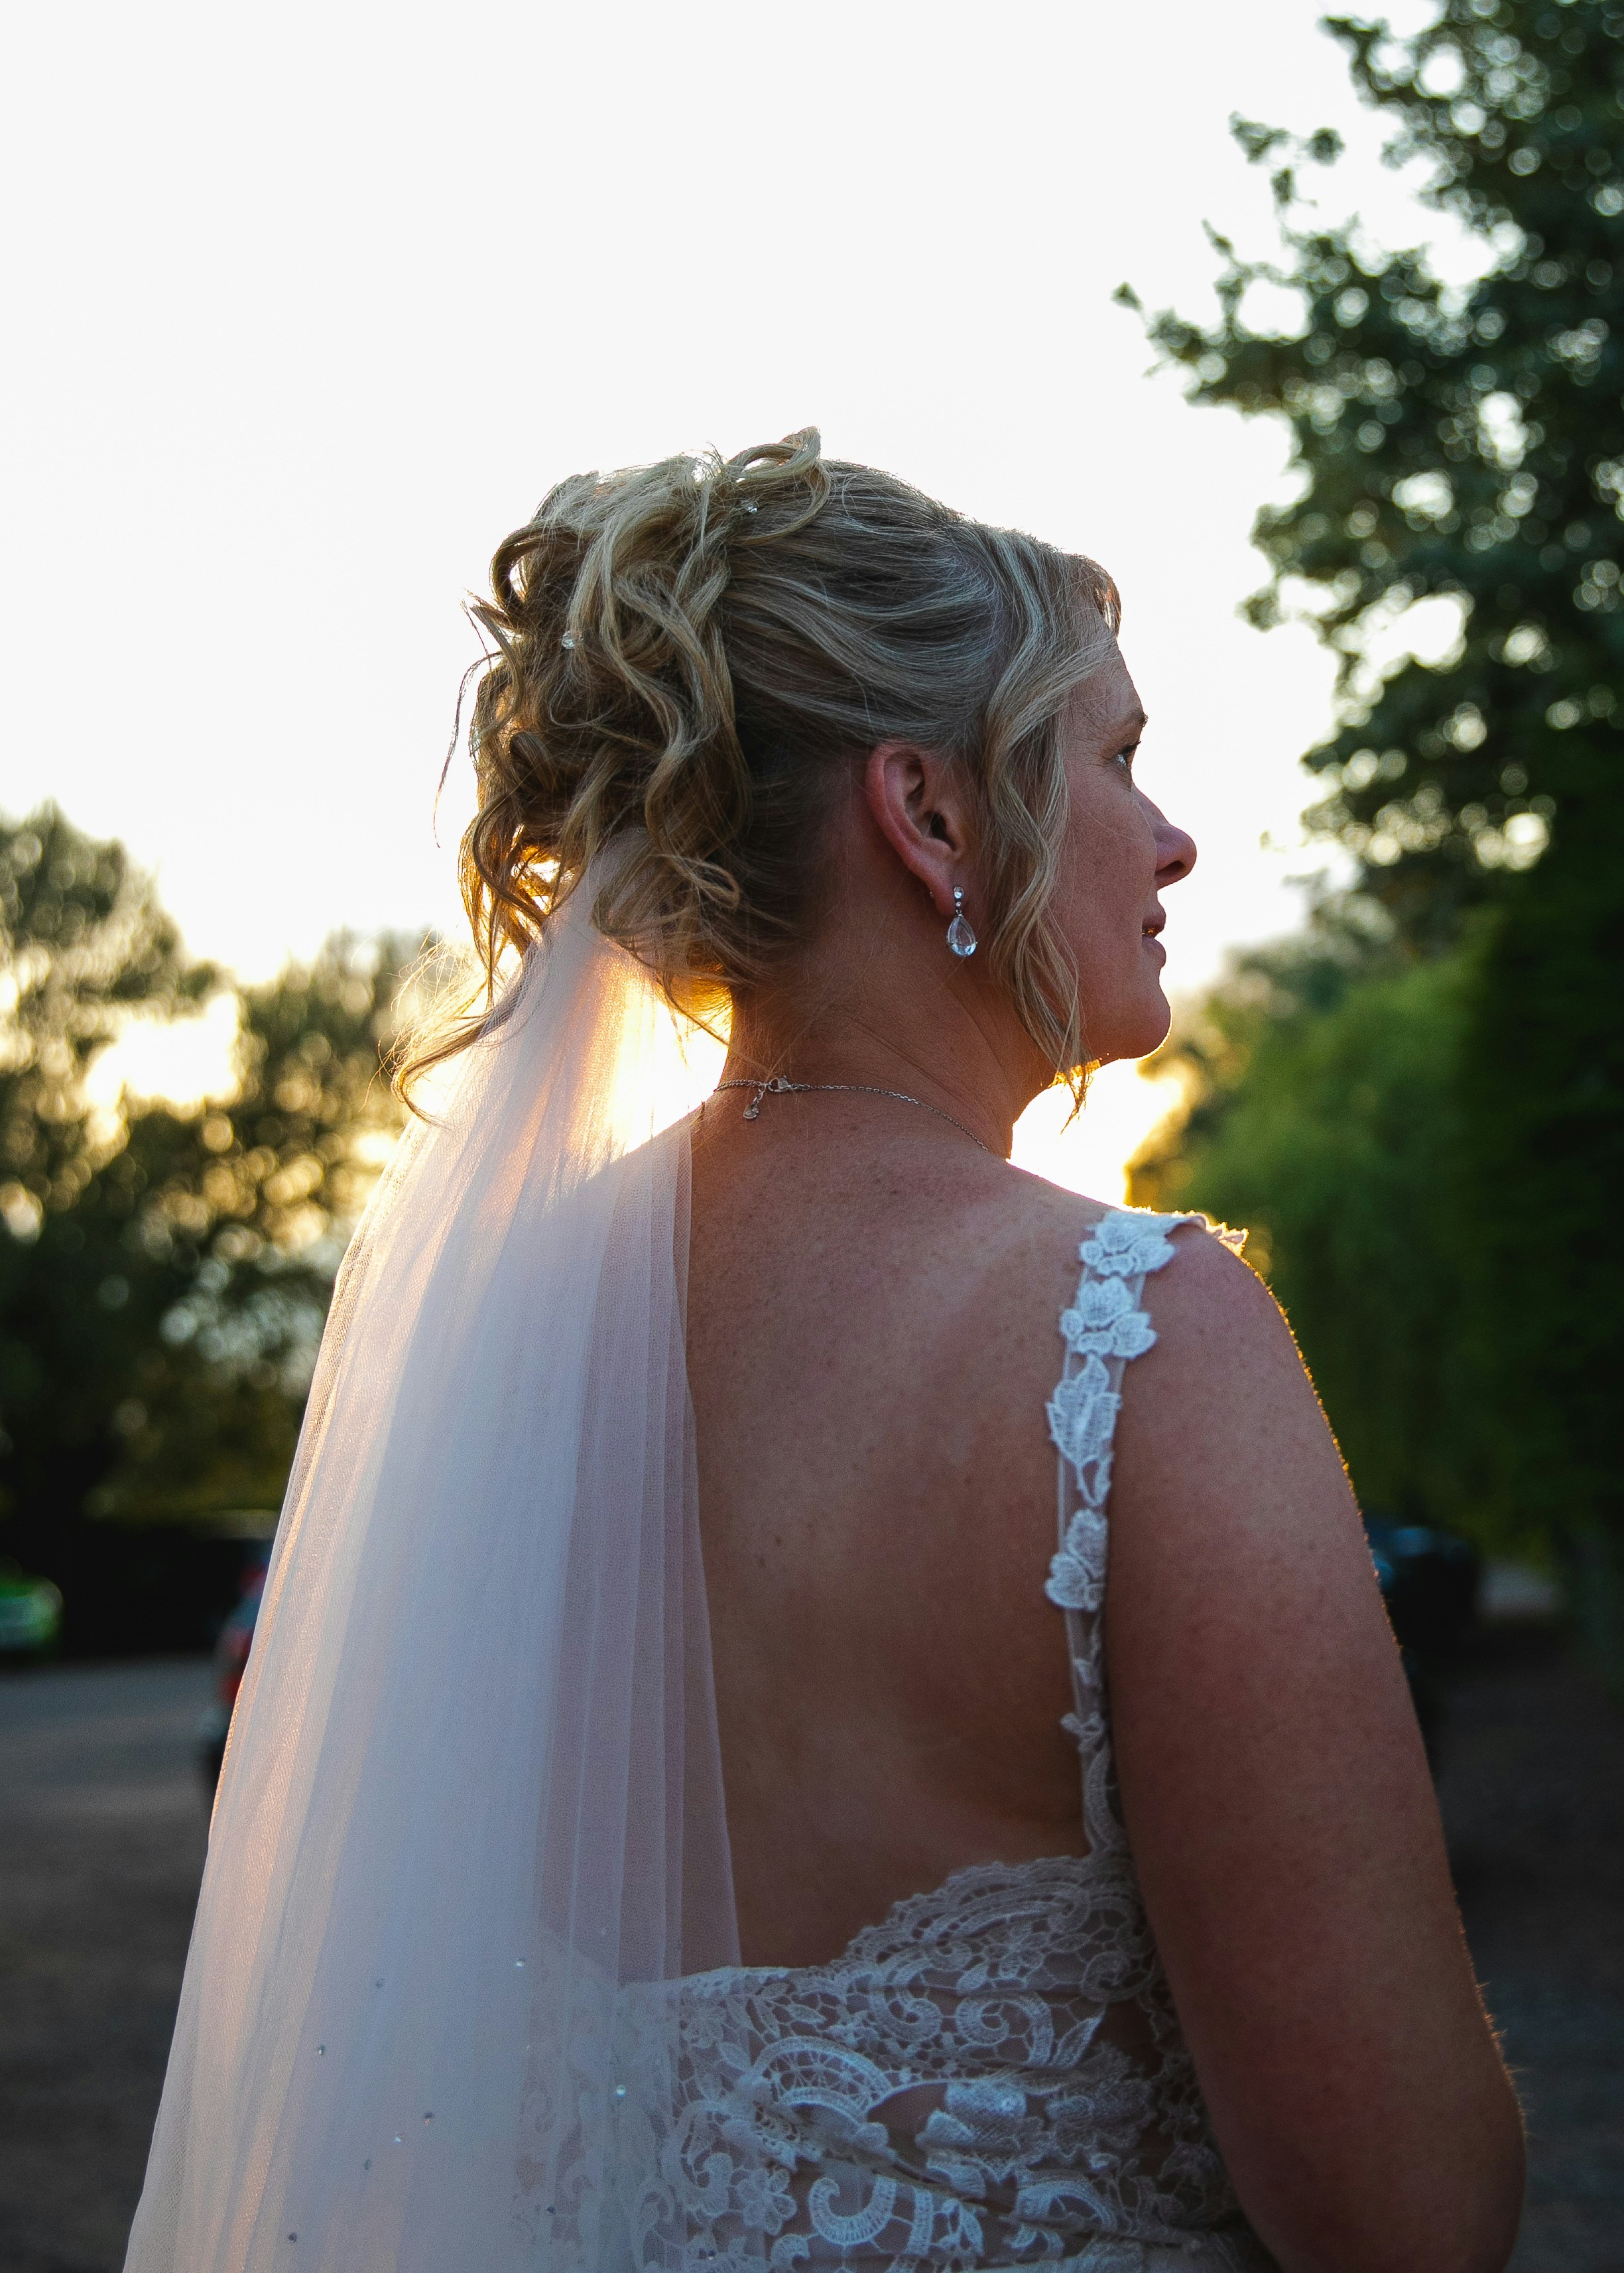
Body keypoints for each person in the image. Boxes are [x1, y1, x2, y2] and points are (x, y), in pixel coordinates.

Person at [125, 432, 1523, 2273]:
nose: (1173, 836)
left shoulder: (500, 1360)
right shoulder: (1139, 1340)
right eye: (1111, 755)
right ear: (928, 814)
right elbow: (1405, 2212)